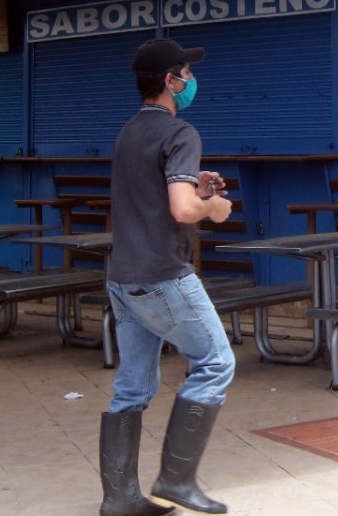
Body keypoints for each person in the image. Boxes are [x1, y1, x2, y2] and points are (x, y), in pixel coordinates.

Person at [98, 38, 235, 516]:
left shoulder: (129, 132)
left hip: (123, 276)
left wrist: (196, 188)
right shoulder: (182, 133)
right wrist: (213, 205)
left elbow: (161, 197)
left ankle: (119, 498)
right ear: (170, 81)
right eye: (185, 73)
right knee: (216, 363)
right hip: (162, 274)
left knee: (132, 386)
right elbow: (181, 210)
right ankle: (176, 481)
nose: (191, 80)